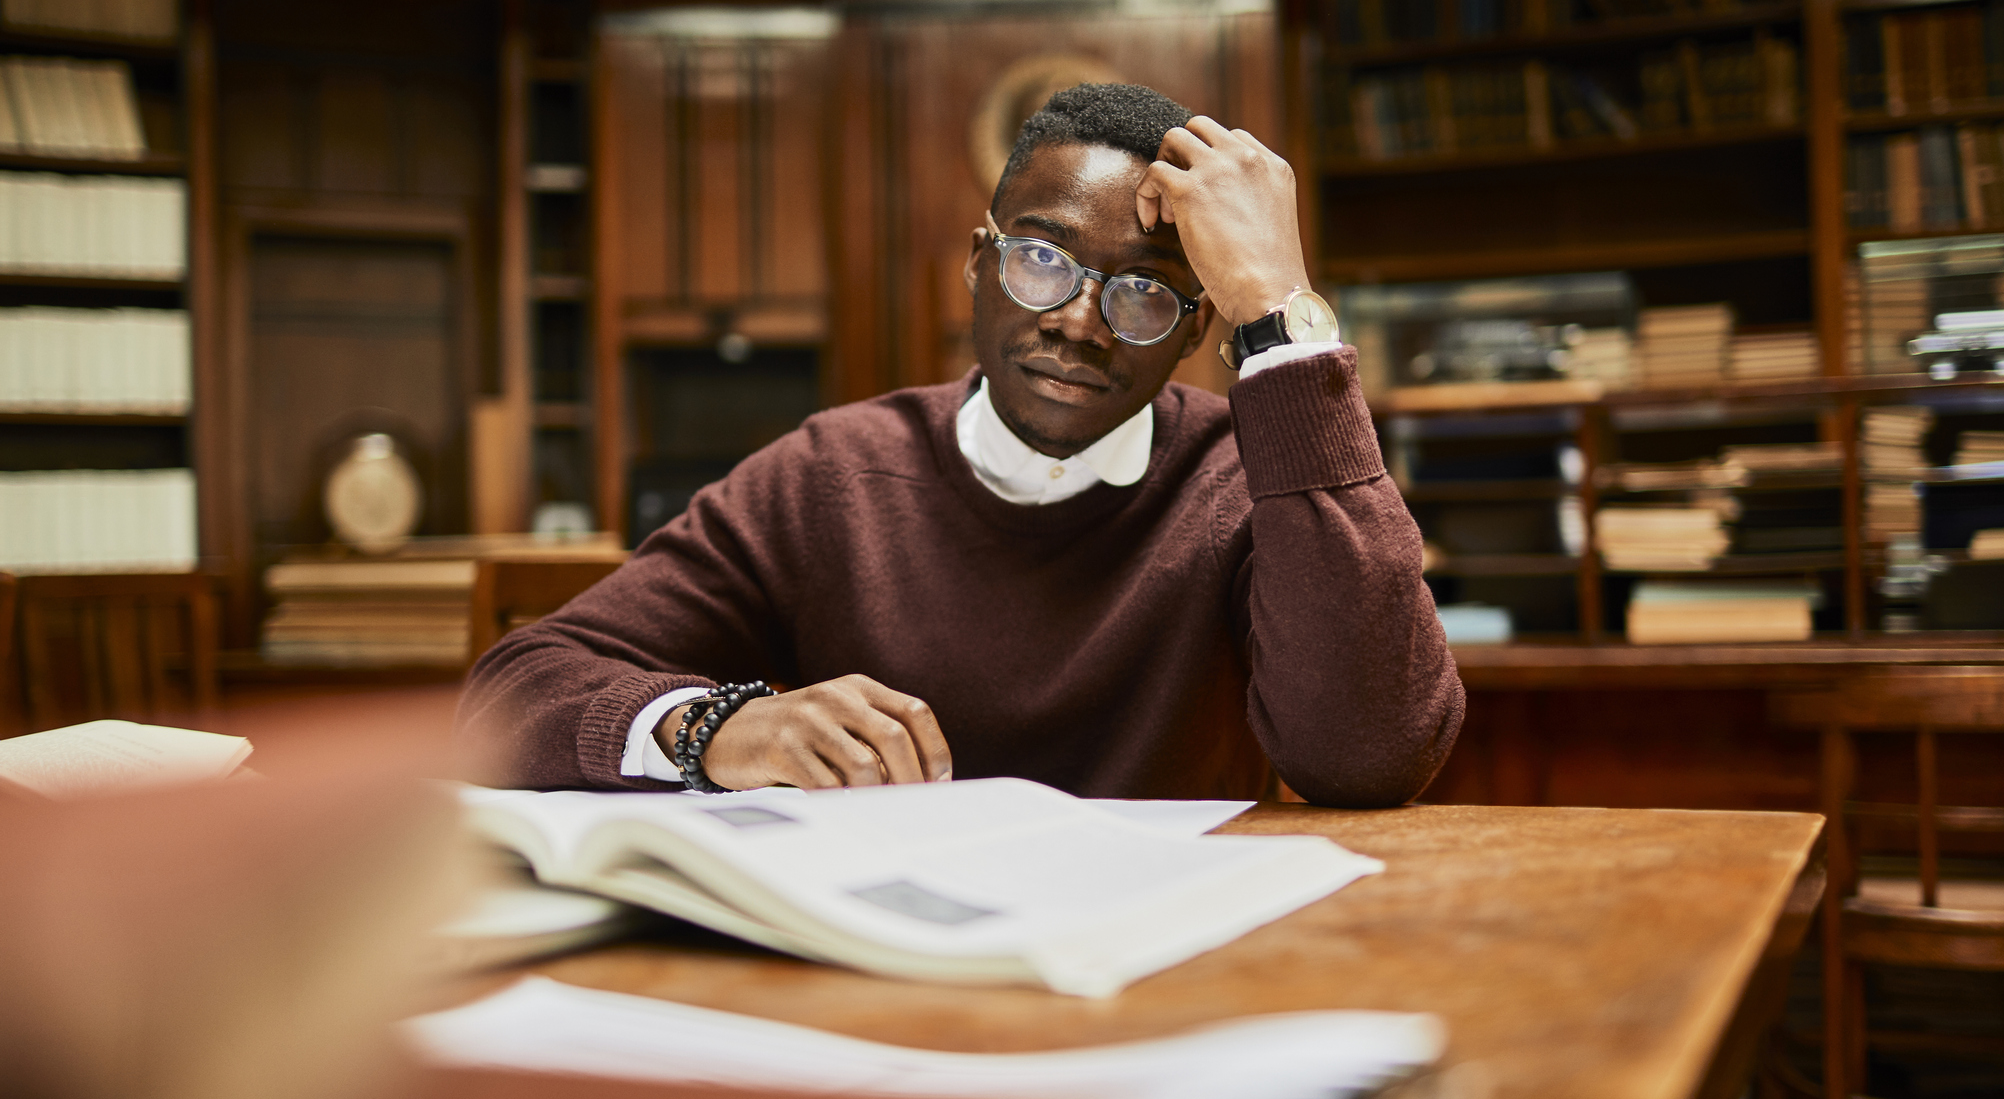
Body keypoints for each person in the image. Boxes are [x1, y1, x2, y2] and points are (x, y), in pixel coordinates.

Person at [460, 84, 1461, 808]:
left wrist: (1278, 309)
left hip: (1164, 975)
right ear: (978, 268)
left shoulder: (1254, 483)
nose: (1078, 323)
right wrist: (716, 727)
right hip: (869, 979)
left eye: (1146, 293)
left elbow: (1369, 754)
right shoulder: (829, 476)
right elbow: (513, 691)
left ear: (1200, 330)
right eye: (1040, 260)